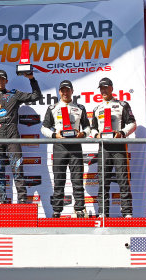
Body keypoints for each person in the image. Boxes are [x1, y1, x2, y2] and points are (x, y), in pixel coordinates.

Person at [0, 69, 42, 204]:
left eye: (3, 79)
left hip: (12, 136)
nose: (0, 82)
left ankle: (22, 200)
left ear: (6, 81)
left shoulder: (14, 95)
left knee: (18, 170)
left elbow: (36, 95)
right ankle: (2, 201)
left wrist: (31, 79)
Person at [41, 80, 91, 218]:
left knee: (77, 179)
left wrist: (83, 134)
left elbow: (87, 127)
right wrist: (54, 135)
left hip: (75, 146)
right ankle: (57, 210)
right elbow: (44, 128)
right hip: (59, 147)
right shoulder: (52, 108)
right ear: (59, 92)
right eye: (62, 90)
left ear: (72, 91)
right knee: (59, 180)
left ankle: (80, 209)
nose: (65, 92)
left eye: (67, 90)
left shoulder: (79, 108)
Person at [90, 77, 136, 218]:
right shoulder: (97, 108)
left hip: (118, 146)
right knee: (103, 180)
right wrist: (96, 135)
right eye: (101, 88)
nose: (104, 90)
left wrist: (121, 133)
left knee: (122, 179)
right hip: (103, 147)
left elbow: (132, 123)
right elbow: (93, 128)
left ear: (111, 88)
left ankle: (127, 213)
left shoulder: (122, 104)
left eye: (106, 87)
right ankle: (103, 212)